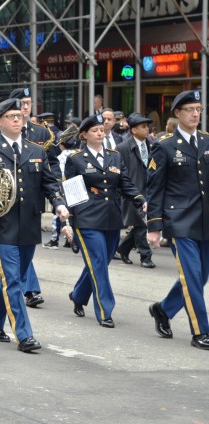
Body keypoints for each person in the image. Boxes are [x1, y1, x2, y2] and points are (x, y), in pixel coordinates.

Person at [0, 98, 68, 352]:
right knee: (14, 281)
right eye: (11, 116)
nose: (18, 120)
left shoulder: (36, 151)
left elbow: (49, 182)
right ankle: (24, 334)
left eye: (20, 115)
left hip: (29, 223)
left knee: (12, 278)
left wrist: (59, 203)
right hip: (2, 224)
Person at [64, 115, 146, 328]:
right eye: (95, 130)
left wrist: (139, 200)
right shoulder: (76, 159)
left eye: (102, 129)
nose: (100, 133)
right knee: (99, 262)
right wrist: (69, 222)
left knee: (100, 261)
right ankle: (105, 310)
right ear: (84, 135)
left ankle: (79, 295)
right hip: (87, 218)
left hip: (111, 217)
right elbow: (72, 192)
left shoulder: (115, 156)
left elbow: (125, 183)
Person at [146, 90, 209, 350]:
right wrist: (154, 226)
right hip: (180, 220)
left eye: (199, 109)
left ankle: (163, 309)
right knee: (192, 276)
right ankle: (201, 331)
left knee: (201, 275)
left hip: (205, 220)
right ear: (177, 113)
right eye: (190, 109)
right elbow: (154, 187)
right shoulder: (165, 145)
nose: (195, 114)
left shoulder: (206, 141)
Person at [115, 113, 155, 268]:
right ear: (133, 130)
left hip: (149, 190)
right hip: (132, 193)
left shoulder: (152, 144)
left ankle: (122, 248)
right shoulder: (123, 148)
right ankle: (146, 256)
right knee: (141, 224)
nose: (147, 129)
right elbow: (120, 172)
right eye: (143, 127)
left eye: (147, 126)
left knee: (140, 225)